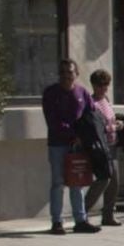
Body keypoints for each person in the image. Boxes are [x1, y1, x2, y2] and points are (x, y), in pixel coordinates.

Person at [42, 59, 98, 235]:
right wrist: (73, 135)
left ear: (76, 74)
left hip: (78, 146)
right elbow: (53, 121)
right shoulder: (51, 93)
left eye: (70, 72)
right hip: (58, 144)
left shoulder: (82, 92)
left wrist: (86, 136)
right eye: (63, 73)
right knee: (58, 183)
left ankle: (80, 220)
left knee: (77, 183)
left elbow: (92, 115)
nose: (67, 76)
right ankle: (57, 222)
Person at [80, 69, 124, 227]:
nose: (104, 88)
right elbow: (97, 127)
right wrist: (113, 128)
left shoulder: (106, 100)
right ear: (94, 85)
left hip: (112, 145)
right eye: (100, 85)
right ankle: (82, 211)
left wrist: (118, 123)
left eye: (106, 85)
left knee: (115, 182)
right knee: (103, 180)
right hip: (100, 147)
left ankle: (108, 214)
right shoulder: (92, 104)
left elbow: (110, 120)